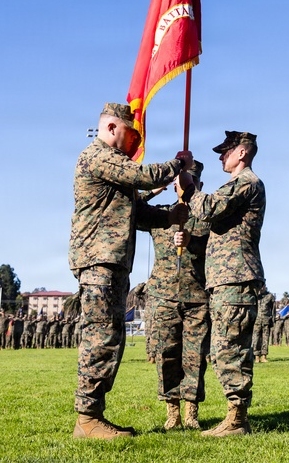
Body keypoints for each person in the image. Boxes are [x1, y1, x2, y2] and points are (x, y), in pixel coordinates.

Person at [69, 102, 193, 440]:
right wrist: (178, 164)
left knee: (110, 339)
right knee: (101, 339)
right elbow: (143, 176)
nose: (134, 143)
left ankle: (92, 417)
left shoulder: (112, 168)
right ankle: (88, 419)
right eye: (130, 134)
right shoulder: (97, 156)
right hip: (100, 263)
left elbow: (136, 212)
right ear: (111, 128)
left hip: (111, 263)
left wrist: (168, 218)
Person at [188, 130, 265, 437]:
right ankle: (234, 416)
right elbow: (209, 220)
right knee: (222, 350)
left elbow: (208, 209)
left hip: (237, 279)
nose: (221, 156)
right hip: (225, 281)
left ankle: (237, 419)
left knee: (230, 349)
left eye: (226, 151)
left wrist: (191, 190)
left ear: (242, 153)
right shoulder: (235, 185)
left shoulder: (247, 182)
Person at [142, 161, 211, 430]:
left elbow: (221, 247)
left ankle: (192, 412)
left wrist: (192, 240)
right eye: (180, 182)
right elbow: (132, 206)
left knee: (195, 357)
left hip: (196, 298)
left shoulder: (207, 217)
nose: (184, 186)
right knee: (167, 355)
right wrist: (155, 189)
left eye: (190, 182)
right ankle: (173, 412)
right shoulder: (161, 216)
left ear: (199, 186)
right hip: (163, 296)